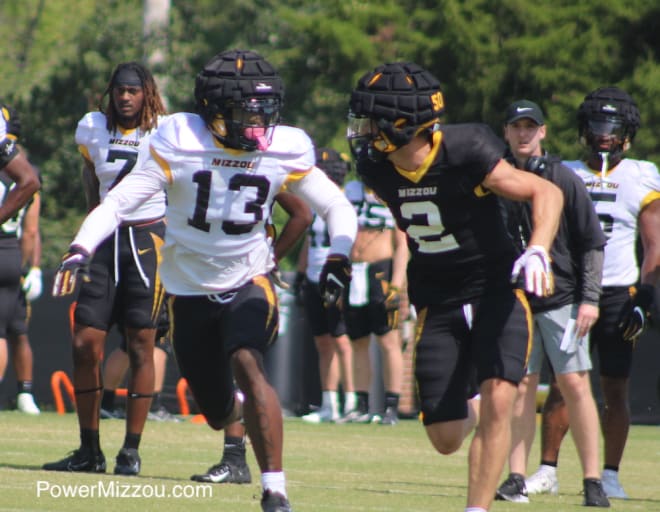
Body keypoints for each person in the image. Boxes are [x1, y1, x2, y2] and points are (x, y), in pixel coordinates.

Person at [50, 49, 357, 512]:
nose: (257, 124)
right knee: (214, 409)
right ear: (212, 113)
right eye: (243, 113)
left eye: (263, 111)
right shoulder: (179, 140)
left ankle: (275, 489)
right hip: (188, 289)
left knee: (248, 362)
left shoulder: (283, 145)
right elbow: (116, 203)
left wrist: (339, 255)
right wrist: (81, 246)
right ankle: (237, 416)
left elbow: (335, 206)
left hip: (249, 276)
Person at [347, 61, 563, 512]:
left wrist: (539, 248)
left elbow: (548, 193)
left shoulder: (466, 149)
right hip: (438, 298)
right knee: (445, 438)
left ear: (403, 125)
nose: (364, 132)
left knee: (501, 399)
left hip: (496, 289)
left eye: (372, 121)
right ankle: (490, 407)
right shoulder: (377, 168)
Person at [525, 86, 660, 501]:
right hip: (571, 289)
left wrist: (645, 296)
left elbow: (655, 243)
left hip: (620, 290)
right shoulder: (562, 170)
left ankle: (611, 473)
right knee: (565, 383)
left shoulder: (642, 174)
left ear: (627, 133)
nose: (604, 136)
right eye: (597, 126)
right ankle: (547, 469)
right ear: (583, 129)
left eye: (612, 128)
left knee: (614, 387)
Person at [43, 61, 168, 476]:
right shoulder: (92, 127)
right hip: (105, 242)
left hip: (148, 240)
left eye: (133, 90)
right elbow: (88, 175)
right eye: (120, 90)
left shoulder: (164, 130)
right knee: (84, 343)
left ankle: (131, 450)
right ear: (110, 92)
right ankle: (88, 448)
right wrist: (90, 226)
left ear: (146, 93)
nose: (125, 97)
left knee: (140, 344)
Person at [493, 100, 609, 506]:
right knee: (520, 389)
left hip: (561, 298)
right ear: (505, 132)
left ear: (543, 132)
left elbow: (592, 242)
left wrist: (589, 299)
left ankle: (593, 480)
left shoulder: (564, 177)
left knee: (576, 385)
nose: (523, 133)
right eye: (516, 127)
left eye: (531, 127)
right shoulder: (495, 177)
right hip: (513, 302)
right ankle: (517, 477)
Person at [191, 190, 313, 484]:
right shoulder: (196, 157)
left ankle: (237, 461)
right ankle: (235, 459)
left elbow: (302, 213)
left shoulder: (263, 162)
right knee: (213, 390)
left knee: (241, 362)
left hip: (247, 280)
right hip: (199, 277)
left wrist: (271, 259)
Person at [338, 177, 408, 425]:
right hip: (353, 271)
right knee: (358, 341)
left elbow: (402, 243)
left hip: (381, 272)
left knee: (389, 340)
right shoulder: (351, 190)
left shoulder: (391, 188)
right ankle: (362, 405)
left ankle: (391, 406)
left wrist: (397, 283)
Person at [296, 147, 357, 423]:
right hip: (313, 277)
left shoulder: (346, 203)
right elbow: (308, 243)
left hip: (335, 276)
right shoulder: (312, 204)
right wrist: (299, 274)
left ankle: (353, 401)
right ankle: (329, 403)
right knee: (322, 341)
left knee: (341, 339)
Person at [0, 141, 43, 415]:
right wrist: (31, 267)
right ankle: (25, 394)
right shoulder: (25, 171)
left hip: (3, 247)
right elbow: (31, 231)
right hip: (13, 254)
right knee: (17, 330)